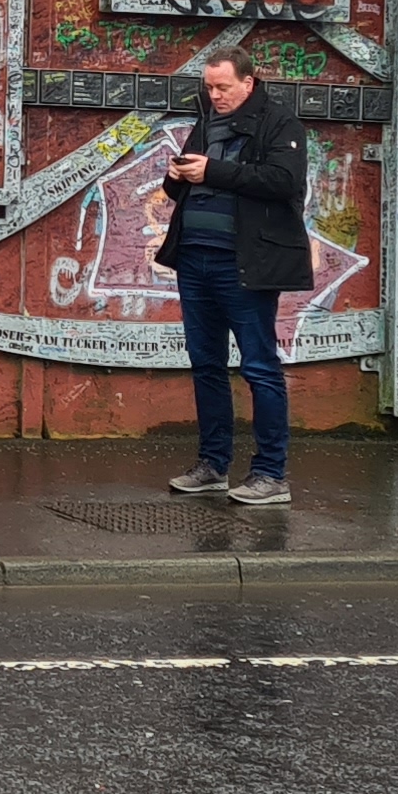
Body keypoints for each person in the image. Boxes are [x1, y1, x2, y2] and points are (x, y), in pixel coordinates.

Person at [158, 47, 310, 505]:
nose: (215, 95)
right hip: (195, 258)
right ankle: (212, 465)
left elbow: (284, 181)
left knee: (259, 366)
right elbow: (183, 187)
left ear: (248, 82)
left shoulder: (280, 122)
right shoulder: (207, 122)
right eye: (209, 87)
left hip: (245, 263)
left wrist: (214, 170)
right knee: (206, 364)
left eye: (223, 87)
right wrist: (177, 175)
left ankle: (270, 474)